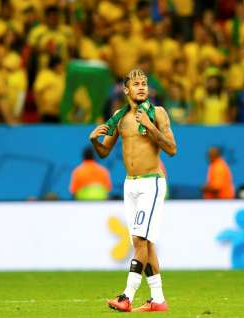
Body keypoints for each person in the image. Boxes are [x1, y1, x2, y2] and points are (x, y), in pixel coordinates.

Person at [90, 68, 176, 313]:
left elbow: (172, 149)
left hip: (152, 181)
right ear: (126, 90)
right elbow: (105, 151)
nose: (141, 87)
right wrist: (96, 141)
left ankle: (126, 296)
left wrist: (150, 127)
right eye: (136, 84)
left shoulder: (157, 113)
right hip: (130, 185)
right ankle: (158, 300)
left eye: (144, 84)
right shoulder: (120, 117)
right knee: (144, 243)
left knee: (140, 240)